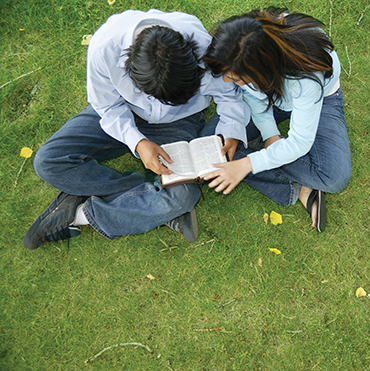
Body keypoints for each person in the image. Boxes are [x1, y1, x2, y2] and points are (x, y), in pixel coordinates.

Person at [23, 9, 250, 250]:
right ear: (130, 71)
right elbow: (106, 106)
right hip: (123, 113)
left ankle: (80, 213)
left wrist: (232, 130)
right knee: (48, 161)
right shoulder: (104, 49)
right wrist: (137, 142)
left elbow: (229, 94)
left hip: (181, 120)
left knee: (182, 194)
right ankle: (152, 190)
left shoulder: (203, 45)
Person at [203, 7, 351, 232]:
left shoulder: (305, 76)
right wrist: (270, 135)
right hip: (271, 98)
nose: (225, 80)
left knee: (332, 176)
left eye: (235, 78)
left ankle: (256, 156)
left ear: (261, 70)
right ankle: (299, 186)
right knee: (209, 143)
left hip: (319, 101)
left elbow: (300, 142)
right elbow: (253, 97)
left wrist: (246, 164)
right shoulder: (245, 45)